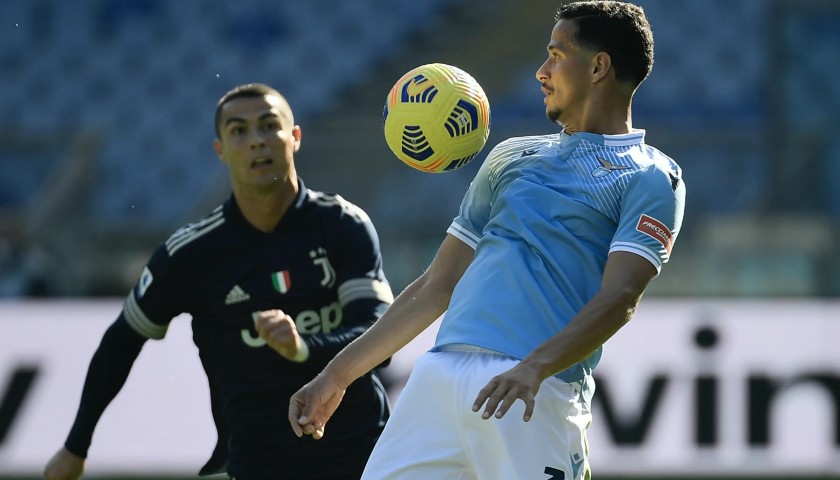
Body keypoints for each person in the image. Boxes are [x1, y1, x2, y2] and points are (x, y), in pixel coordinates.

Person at [288, 2, 686, 479]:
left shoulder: (650, 175)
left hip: (531, 390)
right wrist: (339, 374)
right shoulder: (511, 156)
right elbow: (437, 283)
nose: (541, 72)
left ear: (599, 66)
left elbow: (620, 298)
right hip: (438, 380)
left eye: (557, 56)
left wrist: (534, 367)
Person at [44, 83, 394, 480]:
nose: (256, 141)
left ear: (294, 137)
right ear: (220, 150)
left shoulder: (343, 224)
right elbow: (122, 340)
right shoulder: (192, 254)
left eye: (268, 126)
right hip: (254, 462)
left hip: (366, 457)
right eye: (238, 131)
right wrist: (76, 446)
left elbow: (379, 340)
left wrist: (302, 348)